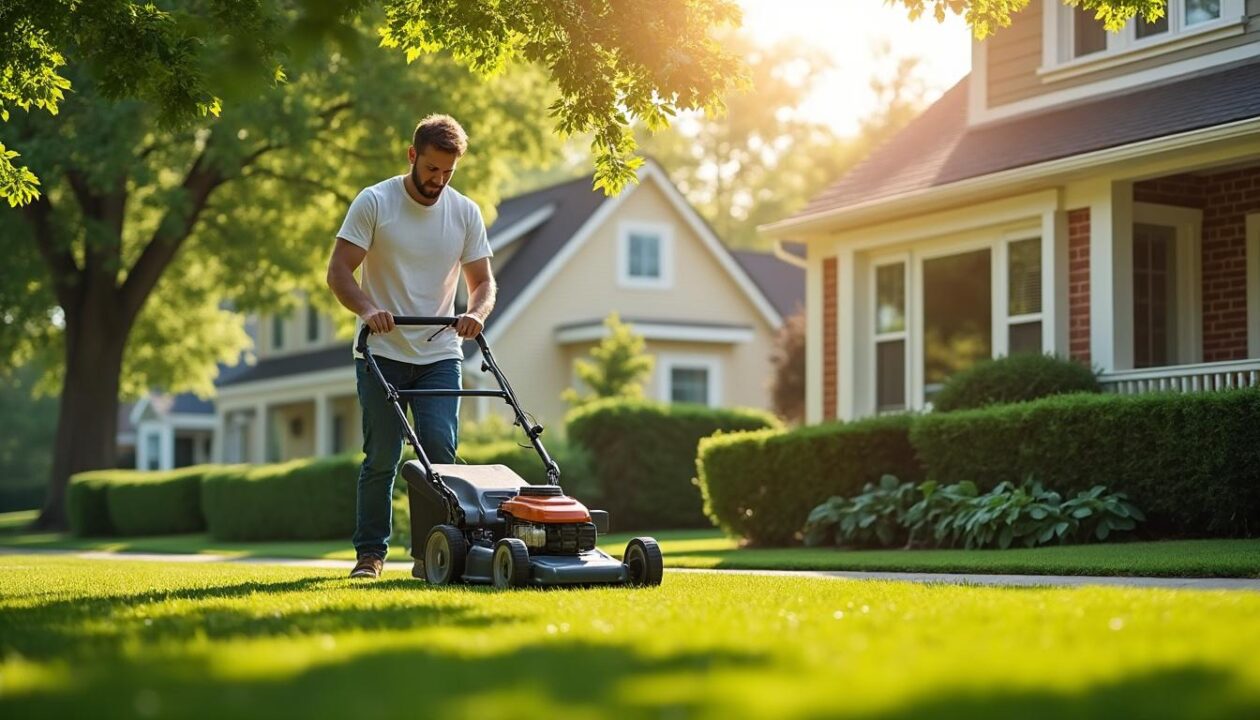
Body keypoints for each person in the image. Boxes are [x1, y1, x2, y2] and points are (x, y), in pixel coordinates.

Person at [326, 114, 496, 579]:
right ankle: (370, 555)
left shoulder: (464, 212)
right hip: (382, 352)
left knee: (440, 451)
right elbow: (338, 271)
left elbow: (483, 282)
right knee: (382, 457)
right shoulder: (375, 202)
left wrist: (476, 314)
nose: (438, 180)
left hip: (439, 352)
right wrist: (367, 309)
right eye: (431, 169)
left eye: (448, 172)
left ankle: (435, 555)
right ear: (412, 155)